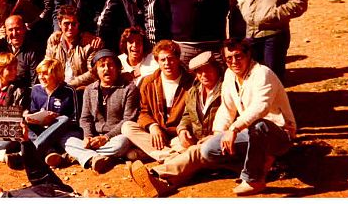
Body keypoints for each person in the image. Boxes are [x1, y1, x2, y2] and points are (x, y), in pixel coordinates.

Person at [201, 38, 297, 196]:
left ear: (248, 55)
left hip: (278, 133)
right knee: (209, 150)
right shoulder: (230, 75)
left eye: (238, 56)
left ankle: (254, 179)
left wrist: (234, 128)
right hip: (250, 132)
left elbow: (261, 107)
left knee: (259, 126)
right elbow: (227, 108)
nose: (234, 62)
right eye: (229, 58)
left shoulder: (262, 73)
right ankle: (266, 167)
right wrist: (218, 132)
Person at [128, 50, 223, 197]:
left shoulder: (225, 90)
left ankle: (156, 174)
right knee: (128, 127)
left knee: (193, 153)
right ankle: (167, 181)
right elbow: (187, 114)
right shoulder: (195, 91)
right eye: (200, 72)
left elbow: (233, 119)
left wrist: (216, 136)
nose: (204, 75)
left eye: (208, 70)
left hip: (218, 145)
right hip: (191, 141)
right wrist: (183, 128)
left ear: (217, 70)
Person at [63, 49, 139, 172]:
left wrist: (106, 138)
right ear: (96, 70)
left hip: (115, 137)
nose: (106, 69)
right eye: (102, 66)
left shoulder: (128, 89)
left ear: (117, 68)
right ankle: (96, 157)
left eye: (110, 65)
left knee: (122, 143)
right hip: (94, 138)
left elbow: (128, 120)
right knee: (68, 140)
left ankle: (84, 155)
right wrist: (88, 136)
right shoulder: (89, 90)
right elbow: (85, 118)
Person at [120, 40, 193, 162]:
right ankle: (171, 156)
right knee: (127, 127)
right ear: (157, 61)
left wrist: (183, 129)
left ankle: (158, 154)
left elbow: (193, 113)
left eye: (171, 59)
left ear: (178, 59)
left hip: (179, 134)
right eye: (163, 60)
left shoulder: (191, 82)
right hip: (157, 133)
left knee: (187, 143)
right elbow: (143, 112)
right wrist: (153, 126)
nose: (167, 63)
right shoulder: (148, 82)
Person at [26, 58, 78, 161]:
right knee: (24, 124)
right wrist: (30, 118)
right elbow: (32, 112)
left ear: (56, 75)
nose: (41, 77)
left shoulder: (69, 91)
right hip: (41, 129)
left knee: (64, 119)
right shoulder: (36, 90)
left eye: (45, 74)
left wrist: (55, 119)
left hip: (61, 131)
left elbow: (75, 120)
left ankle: (33, 150)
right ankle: (50, 152)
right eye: (39, 74)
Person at [44, 6, 97, 90]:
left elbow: (93, 73)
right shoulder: (53, 43)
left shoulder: (88, 45)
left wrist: (69, 85)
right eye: (66, 23)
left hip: (79, 90)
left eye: (73, 24)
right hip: (57, 89)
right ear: (59, 24)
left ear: (78, 24)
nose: (70, 27)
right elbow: (47, 66)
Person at [0, 15, 43, 89]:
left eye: (18, 29)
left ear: (24, 29)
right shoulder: (0, 47)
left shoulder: (33, 51)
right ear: (5, 31)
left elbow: (35, 83)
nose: (14, 33)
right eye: (10, 30)